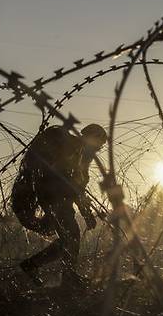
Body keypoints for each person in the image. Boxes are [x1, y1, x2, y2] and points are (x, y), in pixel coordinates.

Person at [12, 123, 107, 287]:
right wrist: (83, 208)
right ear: (92, 137)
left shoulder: (82, 155)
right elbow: (66, 177)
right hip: (54, 197)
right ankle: (67, 277)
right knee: (71, 235)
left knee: (68, 238)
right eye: (100, 143)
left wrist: (86, 213)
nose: (100, 148)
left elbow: (79, 188)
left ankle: (32, 265)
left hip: (59, 198)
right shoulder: (73, 148)